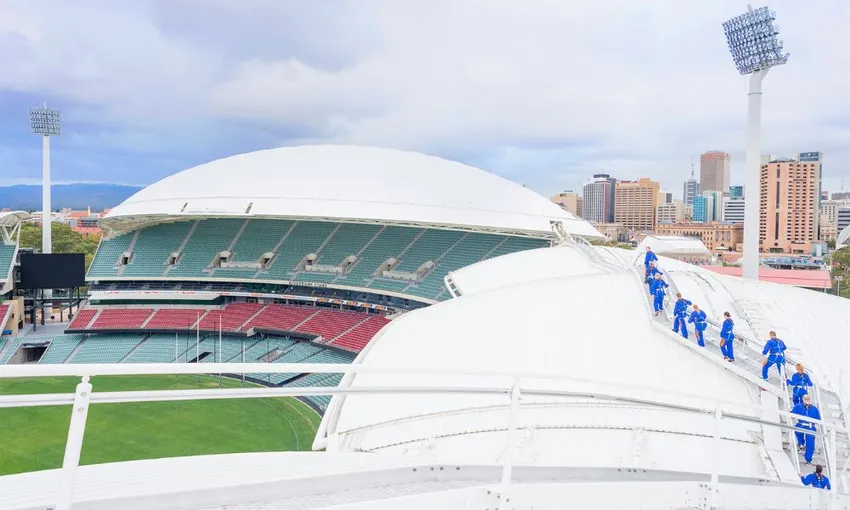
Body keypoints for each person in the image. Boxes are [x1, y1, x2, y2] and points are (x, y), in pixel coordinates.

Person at [792, 394, 821, 465]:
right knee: (810, 444)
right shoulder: (815, 409)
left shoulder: (798, 406)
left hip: (802, 425)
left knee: (798, 431)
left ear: (803, 399)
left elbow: (792, 414)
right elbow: (818, 419)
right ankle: (808, 460)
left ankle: (801, 444)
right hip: (810, 427)